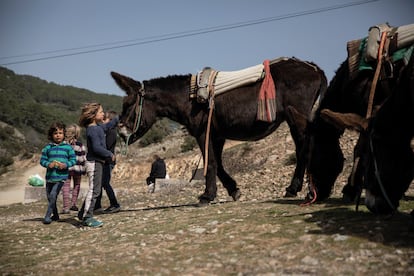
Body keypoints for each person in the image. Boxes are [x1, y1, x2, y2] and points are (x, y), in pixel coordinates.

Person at [78, 103, 119, 227]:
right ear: (93, 115)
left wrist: (121, 117)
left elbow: (109, 125)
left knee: (95, 189)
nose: (103, 114)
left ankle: (82, 213)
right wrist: (109, 154)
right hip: (94, 163)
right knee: (94, 190)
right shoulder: (93, 130)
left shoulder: (98, 127)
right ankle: (87, 217)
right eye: (101, 112)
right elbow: (96, 148)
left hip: (98, 163)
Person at [40, 121, 76, 224]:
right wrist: (48, 164)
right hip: (50, 177)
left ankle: (47, 216)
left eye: (60, 133)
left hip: (61, 177)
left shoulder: (68, 148)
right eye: (55, 133)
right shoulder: (48, 148)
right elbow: (42, 161)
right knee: (49, 196)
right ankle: (55, 215)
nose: (58, 135)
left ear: (64, 134)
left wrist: (65, 165)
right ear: (51, 135)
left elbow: (73, 160)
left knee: (53, 195)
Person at [95, 111, 121, 213]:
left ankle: (114, 204)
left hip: (107, 161)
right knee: (101, 183)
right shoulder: (109, 132)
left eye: (104, 119)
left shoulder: (111, 132)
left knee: (105, 183)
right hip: (105, 161)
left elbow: (106, 147)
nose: (103, 121)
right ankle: (98, 205)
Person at [61, 124, 86, 214]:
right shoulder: (80, 145)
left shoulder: (63, 145)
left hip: (66, 168)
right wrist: (84, 169)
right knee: (77, 186)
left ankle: (66, 207)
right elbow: (83, 158)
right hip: (78, 169)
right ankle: (73, 204)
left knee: (66, 187)